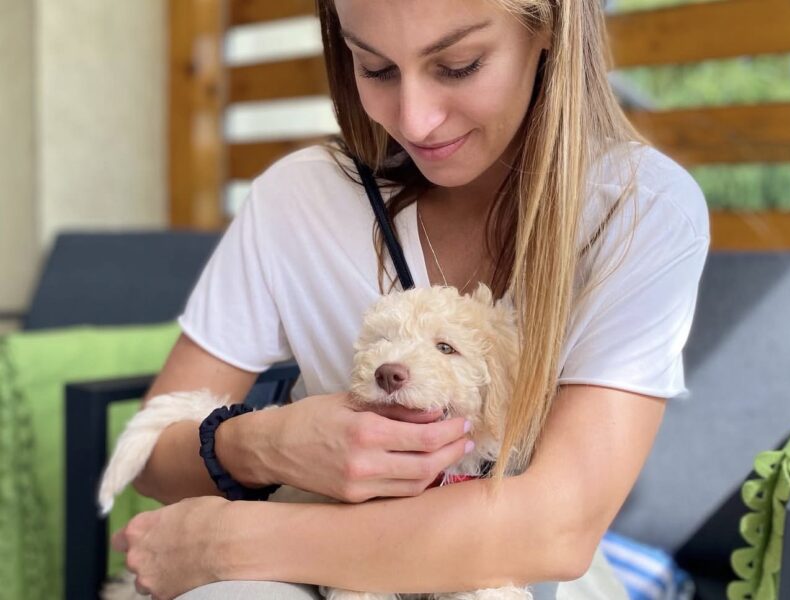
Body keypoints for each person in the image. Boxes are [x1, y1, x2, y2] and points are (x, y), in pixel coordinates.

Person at [110, 0, 710, 599]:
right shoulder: (299, 200)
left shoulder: (639, 210)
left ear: (550, 25)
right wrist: (265, 445)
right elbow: (153, 457)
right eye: (374, 68)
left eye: (459, 64)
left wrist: (226, 540)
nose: (415, 120)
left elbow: (556, 528)